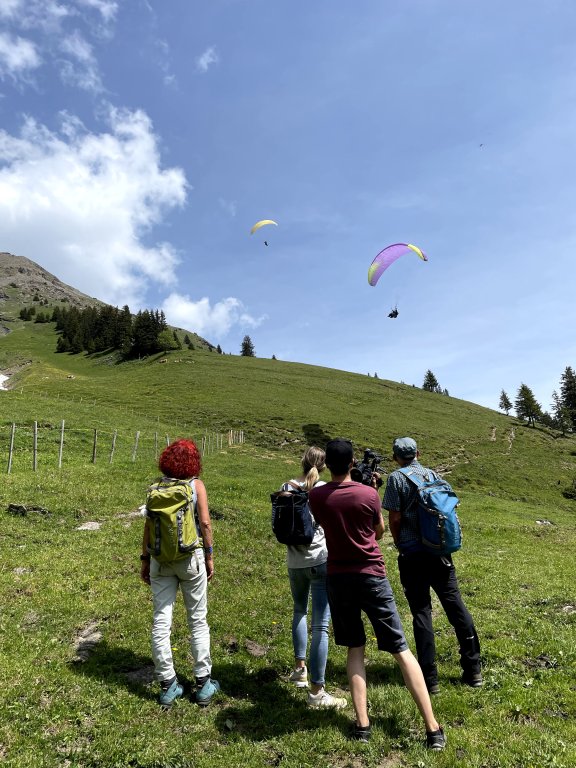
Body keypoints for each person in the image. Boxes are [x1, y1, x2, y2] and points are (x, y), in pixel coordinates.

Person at [309, 438, 445, 749]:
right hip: (371, 576)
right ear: (353, 461)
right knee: (400, 648)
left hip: (338, 578)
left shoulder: (317, 497)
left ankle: (362, 724)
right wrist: (370, 490)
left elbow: (322, 522)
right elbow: (378, 532)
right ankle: (432, 728)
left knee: (355, 648)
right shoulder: (369, 494)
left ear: (327, 464)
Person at [383, 436, 481, 694]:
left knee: (422, 612)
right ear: (418, 453)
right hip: (440, 551)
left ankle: (430, 679)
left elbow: (394, 518)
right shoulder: (432, 474)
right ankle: (473, 670)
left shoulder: (396, 479)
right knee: (455, 605)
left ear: (395, 457)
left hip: (413, 553)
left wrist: (399, 543)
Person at [140, 438, 219, 707]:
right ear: (194, 462)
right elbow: (205, 523)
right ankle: (203, 682)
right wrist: (209, 556)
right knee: (197, 619)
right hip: (190, 557)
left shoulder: (155, 489)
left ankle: (167, 683)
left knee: (161, 620)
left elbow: (148, 528)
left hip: (160, 560)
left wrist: (144, 560)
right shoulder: (196, 486)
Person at [281, 446, 346, 709]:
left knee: (299, 611)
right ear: (325, 465)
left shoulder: (287, 485)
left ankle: (299, 669)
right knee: (321, 625)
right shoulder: (324, 489)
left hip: (294, 560)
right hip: (320, 559)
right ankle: (317, 691)